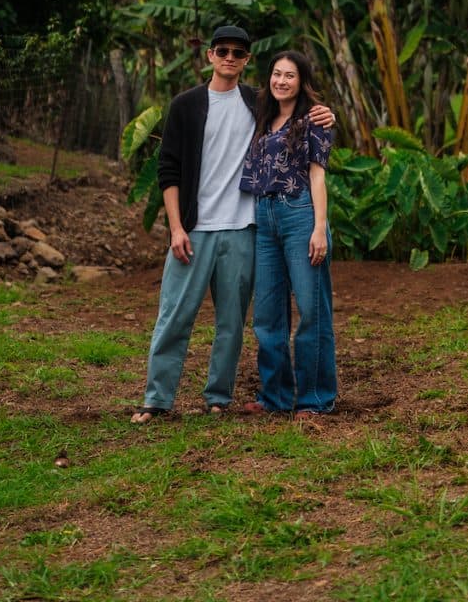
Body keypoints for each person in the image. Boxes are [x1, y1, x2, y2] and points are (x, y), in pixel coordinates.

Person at [131, 26, 333, 423]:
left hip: (244, 227)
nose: (229, 57)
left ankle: (218, 397)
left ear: (246, 60)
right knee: (174, 315)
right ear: (210, 55)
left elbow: (301, 115)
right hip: (195, 229)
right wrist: (175, 227)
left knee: (232, 323)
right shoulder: (186, 105)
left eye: (238, 53)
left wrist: (326, 113)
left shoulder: (257, 103)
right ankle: (157, 399)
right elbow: (168, 169)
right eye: (222, 50)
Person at [239, 50, 337, 417]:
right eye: (277, 74)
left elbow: (318, 175)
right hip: (264, 217)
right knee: (267, 313)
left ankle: (315, 399)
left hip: (300, 214)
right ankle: (275, 396)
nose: (282, 81)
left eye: (290, 75)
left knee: (311, 310)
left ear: (302, 81)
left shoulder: (314, 120)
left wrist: (319, 228)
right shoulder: (263, 117)